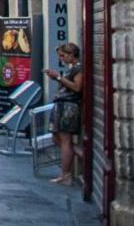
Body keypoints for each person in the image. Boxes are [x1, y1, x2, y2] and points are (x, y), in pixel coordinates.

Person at [44, 43, 84, 185]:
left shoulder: (78, 68)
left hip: (69, 107)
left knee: (65, 139)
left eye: (63, 55)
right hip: (62, 105)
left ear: (71, 54)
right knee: (56, 137)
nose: (61, 59)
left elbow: (77, 87)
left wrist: (58, 78)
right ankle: (74, 155)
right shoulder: (72, 69)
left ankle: (66, 174)